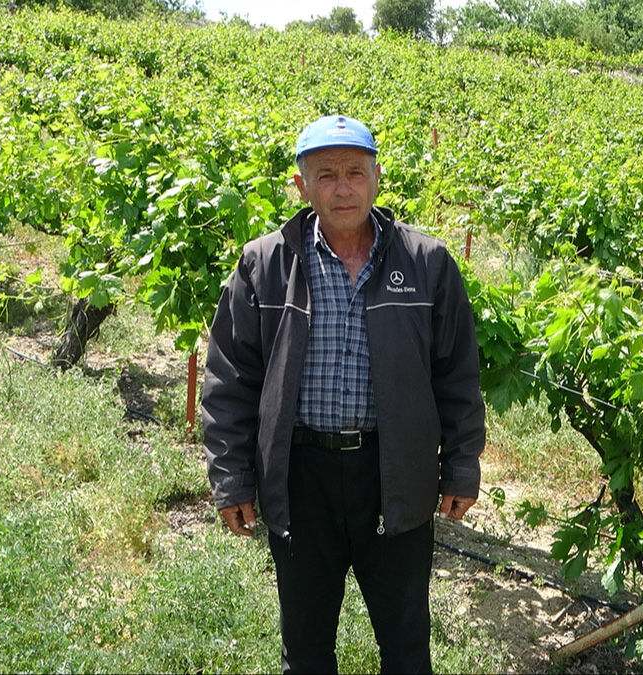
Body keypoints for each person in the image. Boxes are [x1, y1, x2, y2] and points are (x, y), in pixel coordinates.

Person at [200, 113, 486, 675]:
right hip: (300, 476)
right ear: (301, 185)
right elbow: (230, 377)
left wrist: (460, 466)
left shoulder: (426, 263)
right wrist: (231, 477)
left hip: (394, 475)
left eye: (355, 171)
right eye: (326, 174)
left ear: (377, 177)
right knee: (305, 652)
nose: (342, 187)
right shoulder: (265, 263)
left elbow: (457, 375)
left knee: (406, 649)